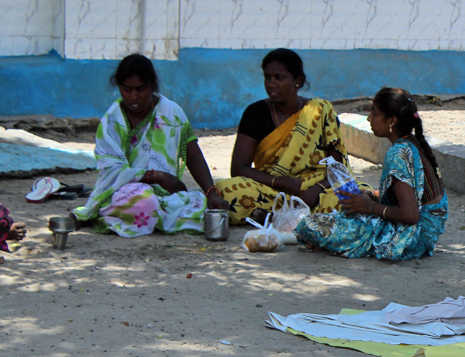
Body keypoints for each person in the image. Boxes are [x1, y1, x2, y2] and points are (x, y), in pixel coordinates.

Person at [71, 54, 227, 236]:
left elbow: (192, 153)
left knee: (201, 204)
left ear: (153, 86)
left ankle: (152, 217)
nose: (134, 97)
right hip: (125, 192)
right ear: (118, 87)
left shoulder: (171, 113)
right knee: (145, 202)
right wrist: (157, 176)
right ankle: (128, 215)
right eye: (127, 89)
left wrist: (210, 192)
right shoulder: (112, 121)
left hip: (164, 194)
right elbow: (112, 171)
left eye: (141, 89)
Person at [294, 87, 448, 260]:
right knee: (346, 212)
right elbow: (412, 196)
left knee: (311, 225)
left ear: (392, 121)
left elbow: (410, 215)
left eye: (374, 114)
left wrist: (369, 207)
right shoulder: (412, 144)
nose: (369, 118)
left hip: (410, 237)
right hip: (426, 233)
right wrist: (371, 196)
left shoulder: (398, 153)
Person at [215, 48, 357, 224]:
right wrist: (282, 182)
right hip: (272, 190)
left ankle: (274, 217)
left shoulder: (320, 111)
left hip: (315, 188)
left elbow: (338, 168)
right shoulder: (255, 113)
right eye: (267, 77)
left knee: (351, 195)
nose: (271, 84)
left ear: (297, 80)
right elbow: (239, 168)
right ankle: (303, 219)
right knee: (225, 189)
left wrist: (315, 190)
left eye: (279, 77)